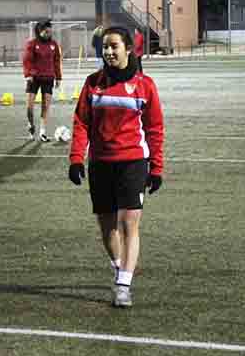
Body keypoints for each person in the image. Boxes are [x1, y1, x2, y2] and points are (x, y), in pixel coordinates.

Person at [68, 26, 164, 308]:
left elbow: (155, 128)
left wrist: (156, 167)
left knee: (128, 224)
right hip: (100, 164)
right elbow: (81, 122)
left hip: (133, 162)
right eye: (105, 47)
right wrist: (76, 159)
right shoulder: (92, 83)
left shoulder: (144, 85)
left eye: (114, 46)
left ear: (127, 49)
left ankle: (124, 286)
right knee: (107, 228)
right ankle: (119, 267)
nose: (108, 52)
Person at [23, 19, 62, 141]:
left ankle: (43, 132)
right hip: (33, 79)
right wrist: (28, 74)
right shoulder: (32, 44)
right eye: (46, 32)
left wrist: (58, 77)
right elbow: (27, 60)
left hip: (48, 78)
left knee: (45, 106)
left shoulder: (54, 45)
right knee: (29, 106)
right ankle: (31, 125)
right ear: (40, 31)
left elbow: (56, 61)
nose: (48, 34)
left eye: (50, 32)